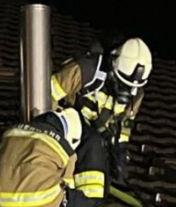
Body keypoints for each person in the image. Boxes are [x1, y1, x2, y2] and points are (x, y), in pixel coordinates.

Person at [51, 37, 153, 183]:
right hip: (66, 128)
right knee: (93, 146)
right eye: (122, 83)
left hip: (95, 135)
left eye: (131, 87)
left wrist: (120, 151)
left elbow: (124, 124)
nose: (127, 91)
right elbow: (48, 95)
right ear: (113, 67)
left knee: (101, 159)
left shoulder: (136, 94)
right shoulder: (86, 69)